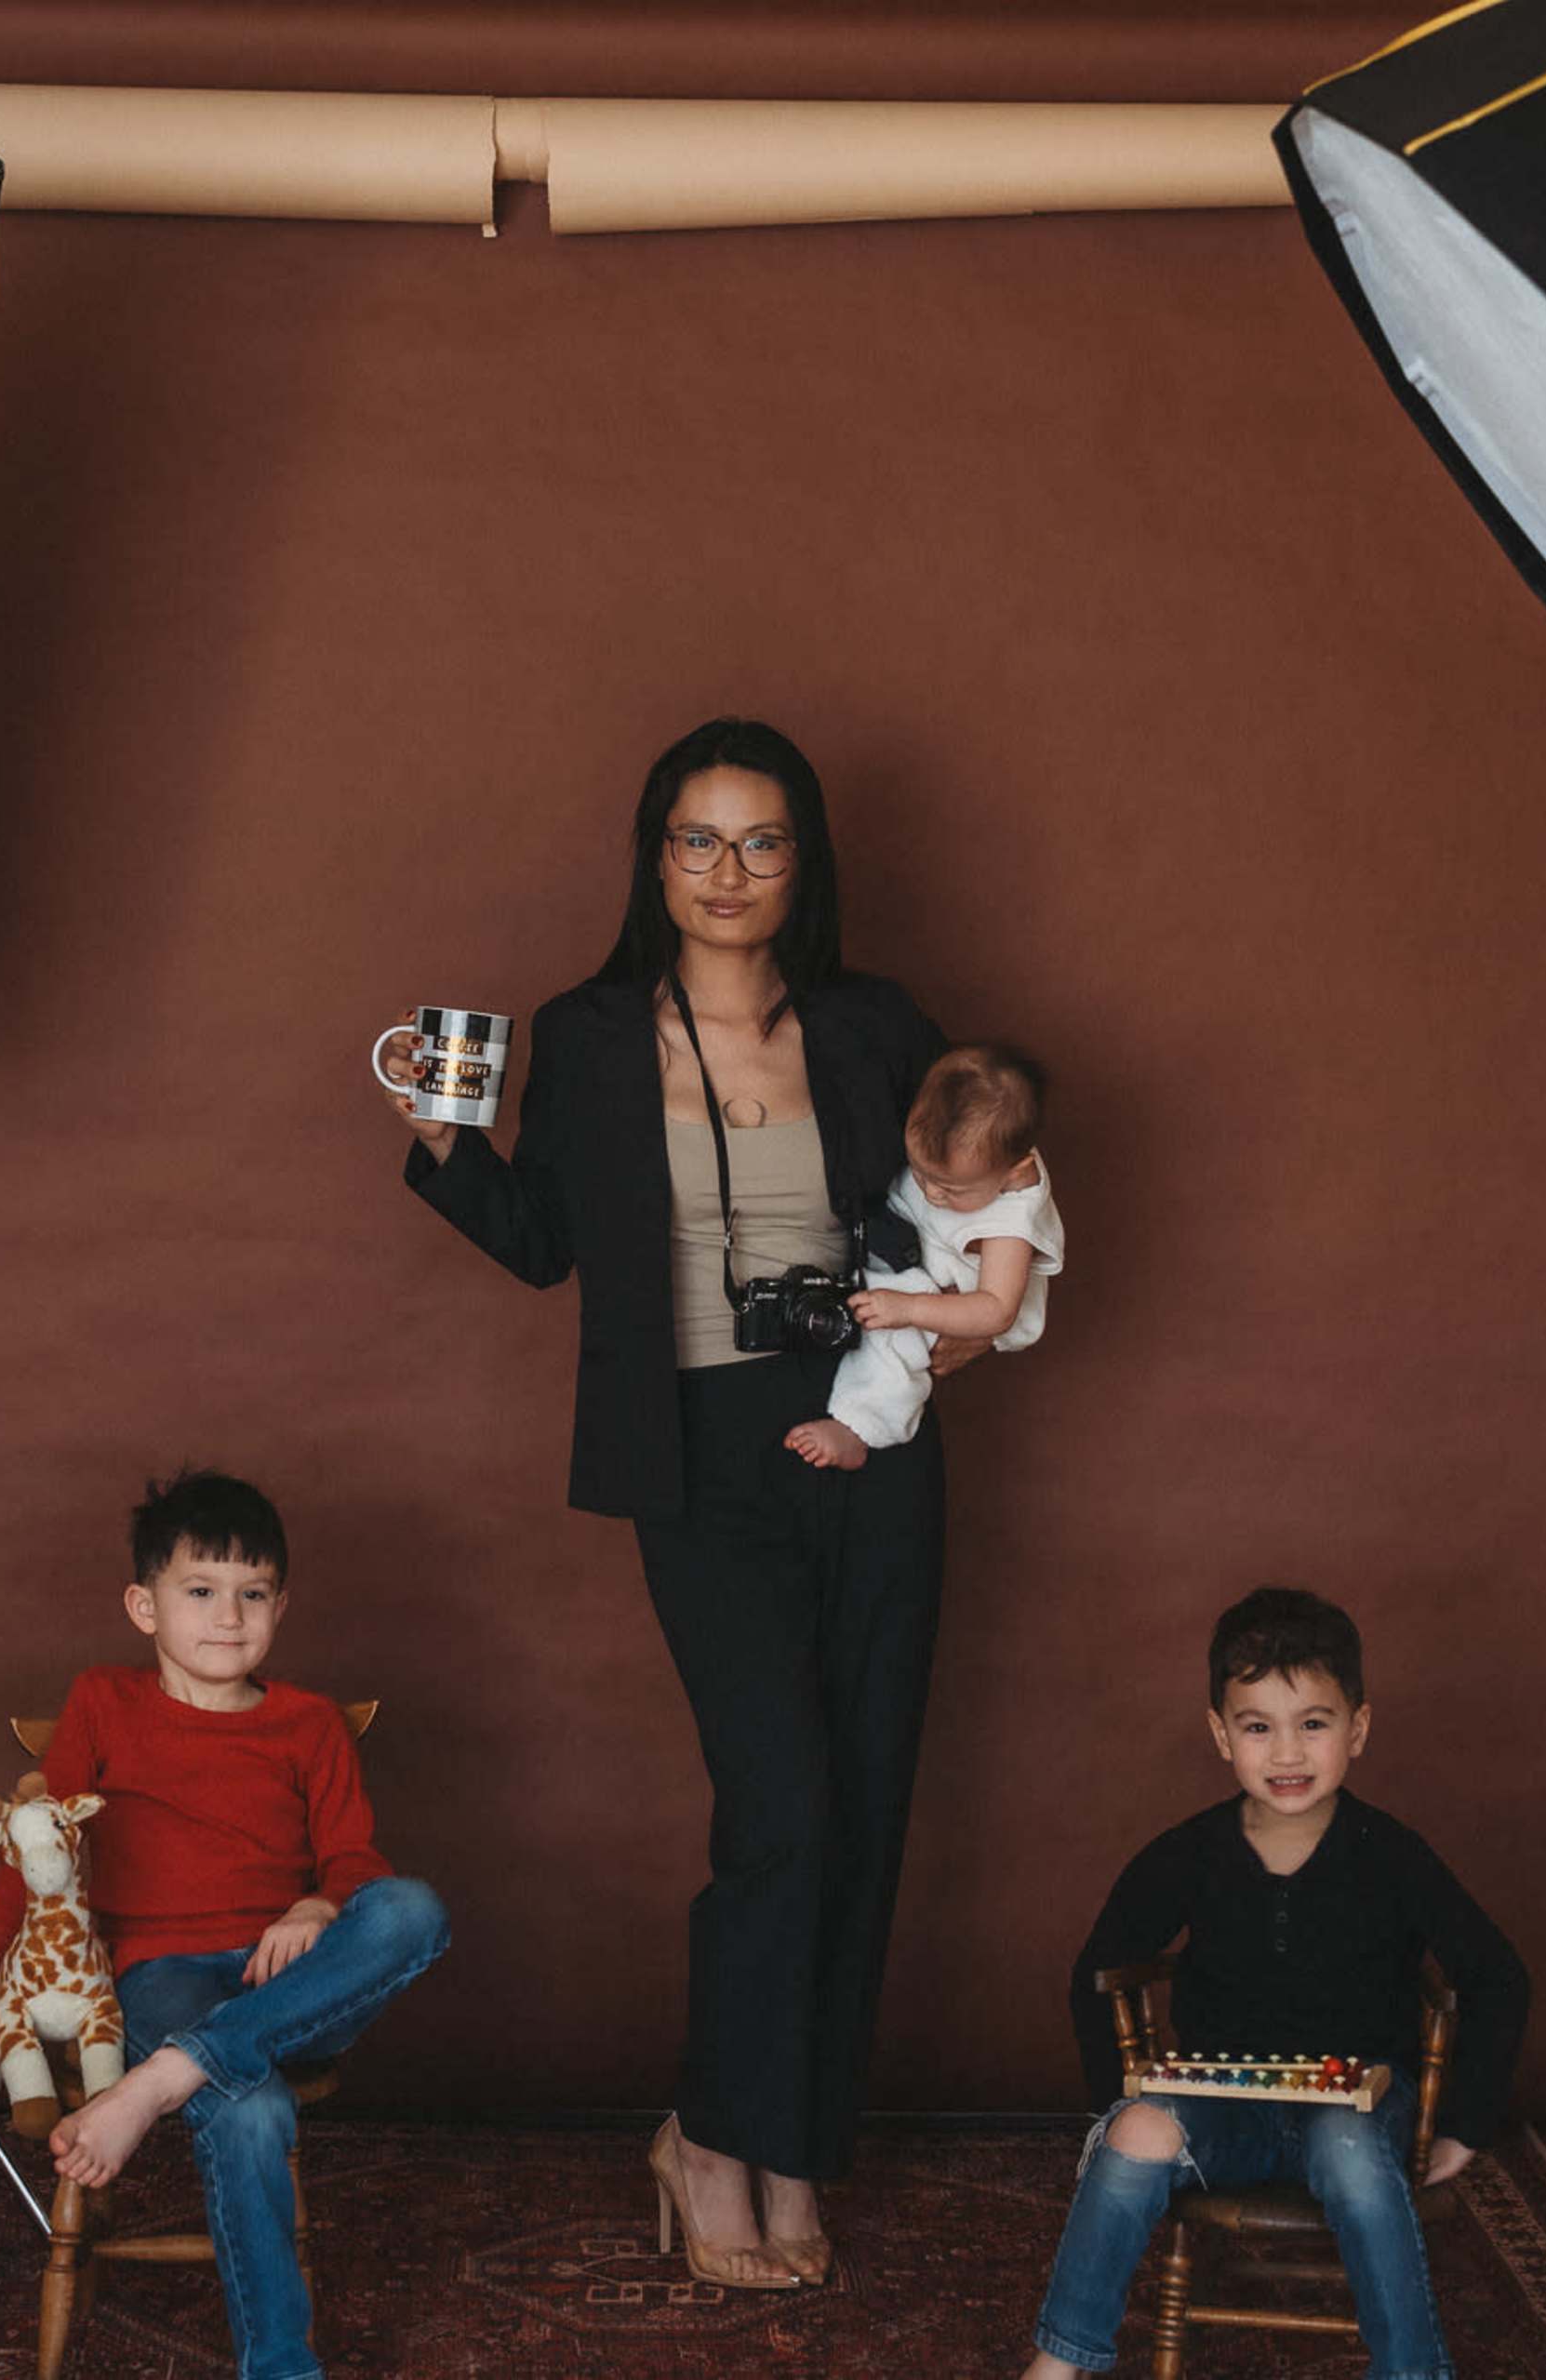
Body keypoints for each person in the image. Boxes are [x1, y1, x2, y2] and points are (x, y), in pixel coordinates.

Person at [385, 716, 966, 2289]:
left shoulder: (876, 1024)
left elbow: (967, 1213)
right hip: (697, 1453)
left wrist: (940, 1330)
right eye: (698, 839)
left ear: (805, 863)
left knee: (861, 1804)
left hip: (868, 1436)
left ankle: (793, 2143)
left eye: (762, 841)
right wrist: (441, 1142)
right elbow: (546, 1241)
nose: (729, 870)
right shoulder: (583, 1032)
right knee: (780, 1800)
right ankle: (711, 2132)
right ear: (654, 857)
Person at [0, 1468, 448, 2380]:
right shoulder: (104, 1701)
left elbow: (353, 1861)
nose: (229, 1617)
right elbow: (36, 1858)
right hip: (163, 1975)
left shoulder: (309, 1725)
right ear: (144, 1607)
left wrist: (314, 1906)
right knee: (249, 2104)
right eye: (201, 1592)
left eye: (252, 1594)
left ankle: (156, 2086)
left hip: (294, 1982)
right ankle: (281, 2368)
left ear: (281, 1607)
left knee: (412, 1908)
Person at [1022, 1588, 1529, 2380]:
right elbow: (1098, 1970)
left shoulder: (1391, 1855)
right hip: (1225, 2114)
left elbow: (1498, 1975)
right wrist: (1121, 2099)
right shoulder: (1190, 1853)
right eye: (1258, 1726)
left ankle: (1411, 2371)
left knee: (1354, 2149)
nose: (1286, 1754)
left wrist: (1464, 2124)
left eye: (1313, 1724)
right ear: (1221, 1734)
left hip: (1357, 2112)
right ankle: (1060, 2362)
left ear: (1357, 1728)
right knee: (1135, 2136)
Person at [784, 1041, 1062, 1471]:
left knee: (895, 1341)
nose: (933, 1192)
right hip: (915, 1246)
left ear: (1015, 1170)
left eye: (951, 1189)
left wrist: (911, 1309)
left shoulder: (1013, 1219)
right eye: (921, 1173)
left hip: (960, 1297)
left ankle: (862, 1427)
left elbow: (996, 1312)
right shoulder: (960, 1158)